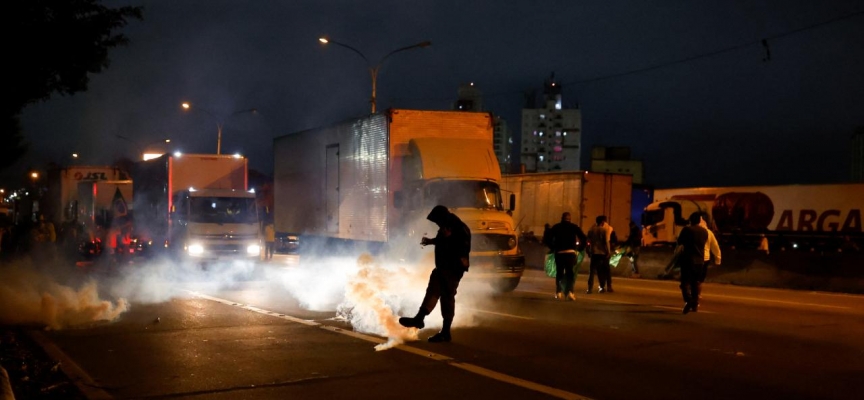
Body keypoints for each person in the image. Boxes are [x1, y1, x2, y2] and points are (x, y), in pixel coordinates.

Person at [399, 205, 471, 343]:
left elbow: (459, 247)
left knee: (447, 298)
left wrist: (447, 239)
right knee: (433, 291)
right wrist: (432, 241)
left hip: (452, 269)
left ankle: (445, 332)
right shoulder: (450, 225)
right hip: (444, 267)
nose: (437, 224)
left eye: (437, 221)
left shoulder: (455, 227)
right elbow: (444, 240)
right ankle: (419, 318)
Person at [545, 212, 587, 300]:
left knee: (559, 272)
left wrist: (553, 247)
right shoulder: (574, 227)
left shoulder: (556, 227)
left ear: (561, 218)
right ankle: (570, 292)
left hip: (559, 253)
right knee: (570, 273)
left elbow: (547, 239)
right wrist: (579, 248)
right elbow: (583, 238)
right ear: (570, 219)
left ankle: (558, 292)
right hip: (570, 253)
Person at [675, 212, 709, 314]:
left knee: (685, 283)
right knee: (695, 283)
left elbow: (680, 242)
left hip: (688, 259)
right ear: (699, 221)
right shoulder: (704, 231)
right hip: (700, 261)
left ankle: (689, 301)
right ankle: (694, 305)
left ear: (690, 220)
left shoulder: (687, 230)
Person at [586, 215, 614, 293]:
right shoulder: (604, 230)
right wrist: (608, 252)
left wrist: (588, 250)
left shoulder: (591, 230)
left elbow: (588, 242)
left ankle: (589, 288)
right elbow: (606, 242)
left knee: (592, 271)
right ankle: (603, 287)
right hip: (602, 253)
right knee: (605, 270)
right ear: (602, 222)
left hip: (594, 253)